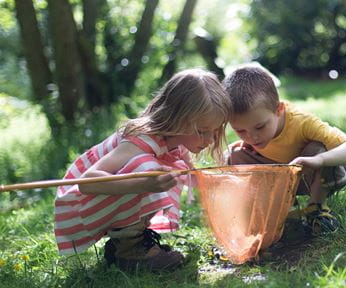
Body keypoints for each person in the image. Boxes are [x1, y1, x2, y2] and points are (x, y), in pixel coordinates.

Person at [54, 69, 232, 272]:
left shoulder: (176, 139)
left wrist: (217, 184)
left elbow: (192, 175)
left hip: (100, 202)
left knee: (169, 171)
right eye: (202, 131)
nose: (209, 140)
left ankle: (124, 243)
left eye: (215, 131)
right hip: (77, 206)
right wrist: (144, 183)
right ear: (177, 118)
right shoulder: (140, 142)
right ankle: (130, 250)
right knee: (149, 170)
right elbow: (87, 183)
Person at [223, 64, 346, 236]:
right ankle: (278, 208)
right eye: (240, 131)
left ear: (279, 110)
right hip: (280, 177)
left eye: (260, 127)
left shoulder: (302, 122)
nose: (252, 137)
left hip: (310, 174)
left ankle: (316, 208)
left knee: (319, 148)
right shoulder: (253, 132)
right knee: (234, 154)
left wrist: (318, 160)